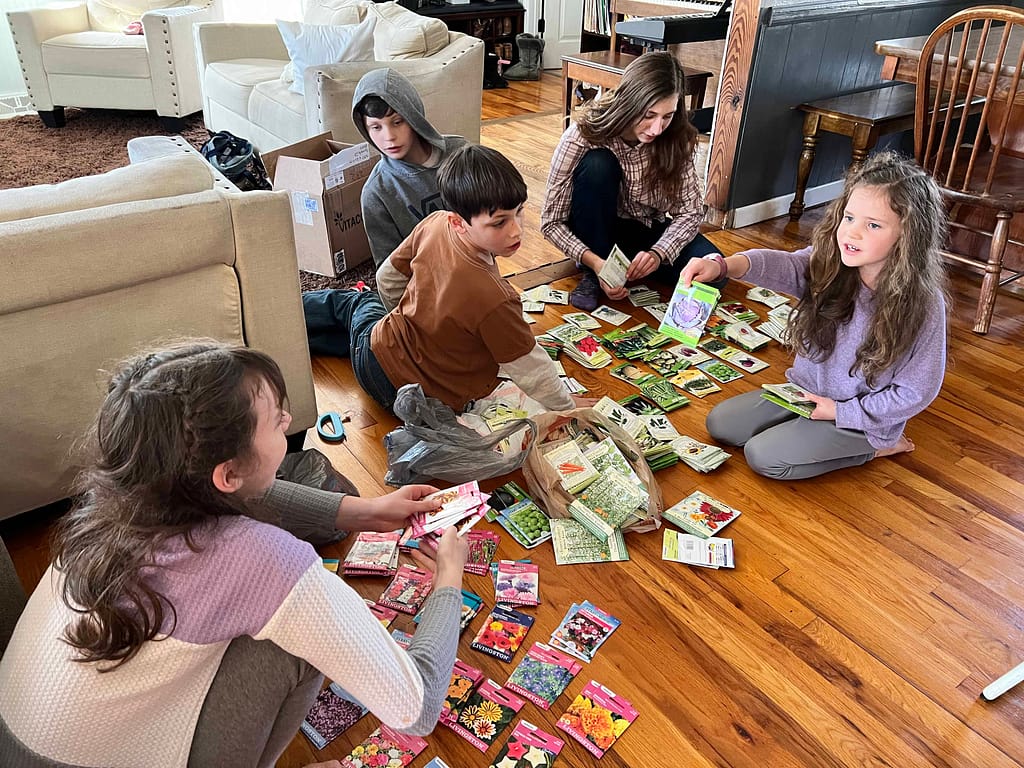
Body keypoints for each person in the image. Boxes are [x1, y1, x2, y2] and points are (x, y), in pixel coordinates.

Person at [0, 341, 469, 768]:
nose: (288, 419)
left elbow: (244, 488)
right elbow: (419, 706)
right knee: (290, 641)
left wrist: (365, 512)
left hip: (18, 740)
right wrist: (449, 581)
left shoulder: (118, 498)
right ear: (226, 473)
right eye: (276, 420)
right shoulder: (263, 560)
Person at [679, 151, 948, 480]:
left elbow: (916, 391)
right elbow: (785, 265)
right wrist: (723, 265)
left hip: (861, 419)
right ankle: (806, 430)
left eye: (873, 225)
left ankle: (878, 448)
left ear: (908, 234)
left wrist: (840, 411)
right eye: (849, 218)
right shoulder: (832, 262)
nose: (852, 233)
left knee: (764, 458)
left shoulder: (924, 303)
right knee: (721, 424)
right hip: (804, 394)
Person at [303, 144, 580, 415]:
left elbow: (387, 278)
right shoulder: (497, 298)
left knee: (357, 303)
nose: (516, 230)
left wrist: (410, 324)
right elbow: (531, 367)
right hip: (418, 401)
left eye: (519, 211)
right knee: (360, 303)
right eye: (499, 222)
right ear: (459, 222)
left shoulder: (435, 222)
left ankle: (293, 319)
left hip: (382, 367)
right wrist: (567, 406)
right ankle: (296, 324)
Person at [541, 50, 727, 312]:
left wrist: (658, 254)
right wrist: (597, 263)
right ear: (629, 102)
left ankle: (632, 268)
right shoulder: (581, 135)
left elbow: (691, 212)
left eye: (667, 116)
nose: (657, 129)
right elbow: (551, 222)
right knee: (598, 164)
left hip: (645, 231)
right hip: (596, 231)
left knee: (714, 272)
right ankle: (593, 273)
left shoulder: (676, 137)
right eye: (649, 115)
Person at [353, 68, 467, 268]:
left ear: (414, 116)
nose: (389, 137)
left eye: (397, 122)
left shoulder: (462, 153)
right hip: (424, 282)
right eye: (376, 127)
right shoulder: (376, 192)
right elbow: (389, 270)